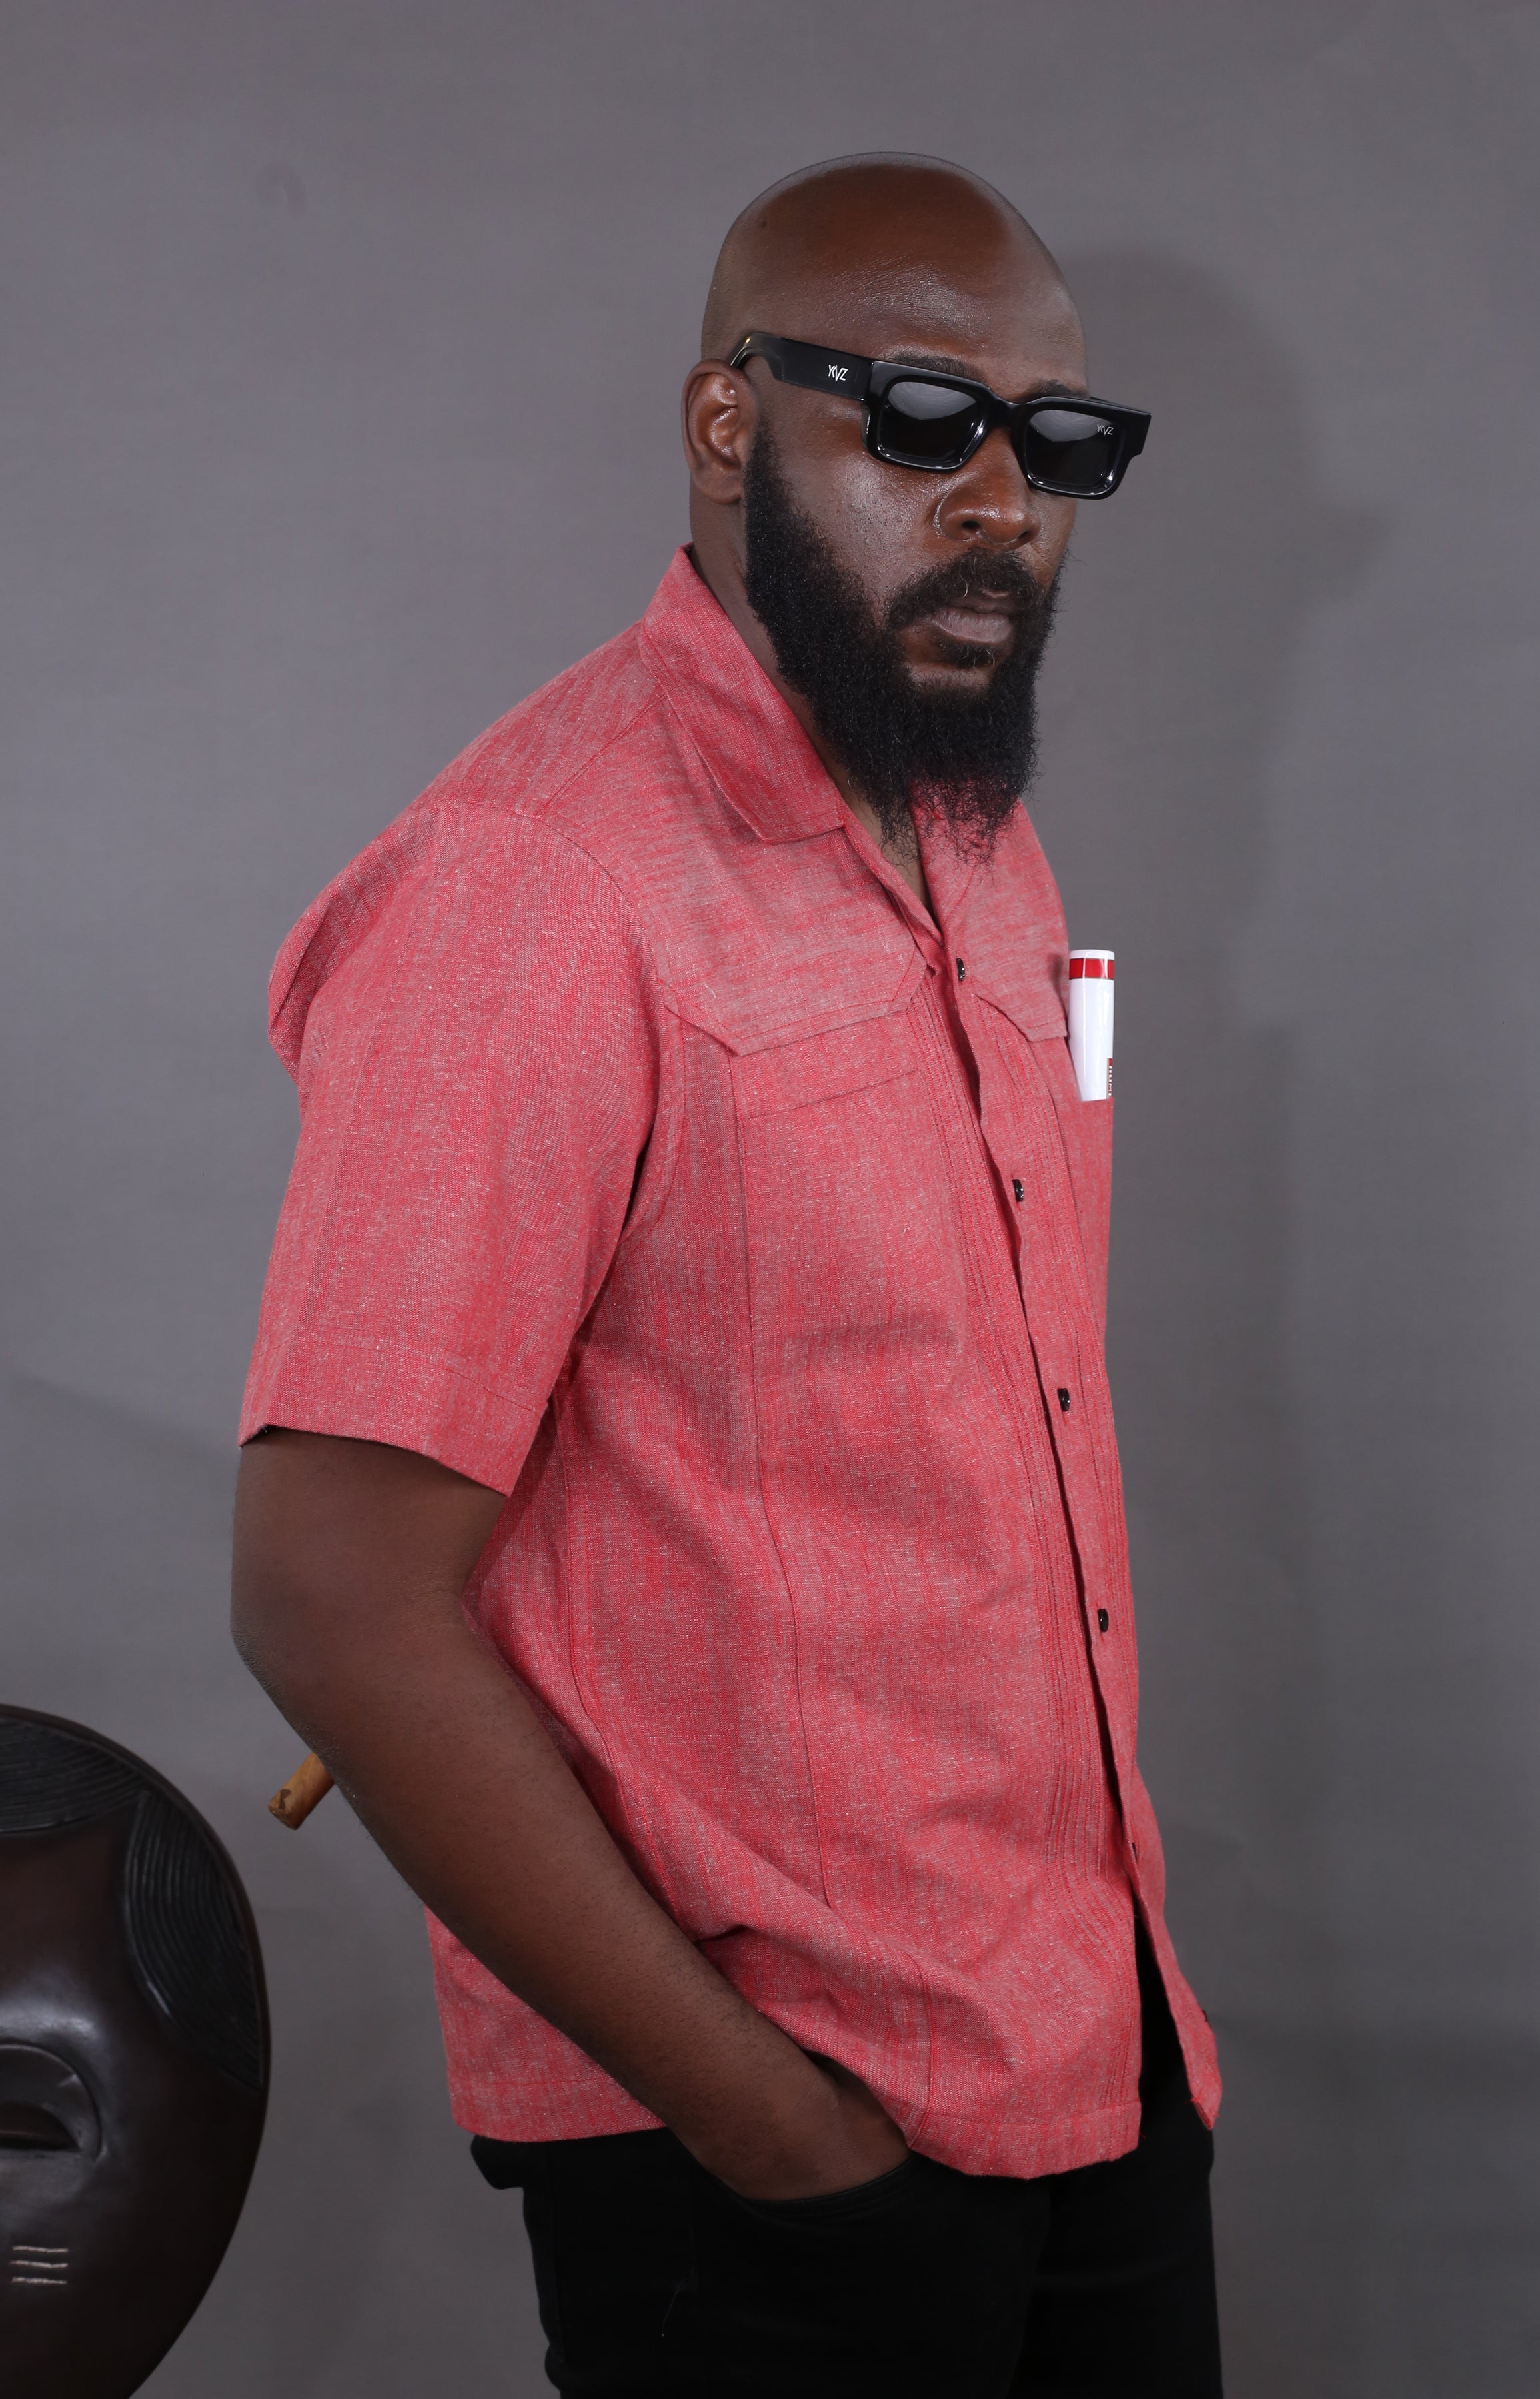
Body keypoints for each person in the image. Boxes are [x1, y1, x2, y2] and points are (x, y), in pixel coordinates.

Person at [231, 153, 1224, 2396]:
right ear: (721, 421)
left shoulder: (978, 829)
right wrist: (777, 2134)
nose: (1001, 503)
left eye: (1060, 445)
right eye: (918, 418)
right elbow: (327, 1593)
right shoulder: (527, 890)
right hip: (773, 2147)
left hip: (1094, 2043)